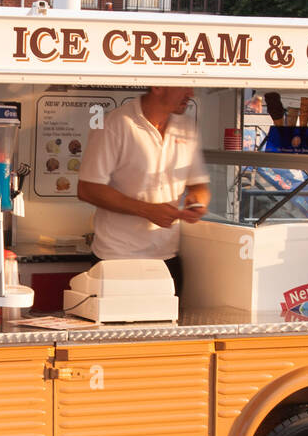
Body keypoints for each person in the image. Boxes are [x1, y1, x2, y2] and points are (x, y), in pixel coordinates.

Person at [77, 85, 211, 297]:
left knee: (166, 330)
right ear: (158, 86)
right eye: (184, 86)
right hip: (117, 258)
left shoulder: (186, 127)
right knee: (116, 330)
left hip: (167, 258)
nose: (191, 93)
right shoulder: (115, 123)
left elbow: (198, 184)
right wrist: (146, 210)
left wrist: (198, 202)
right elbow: (87, 189)